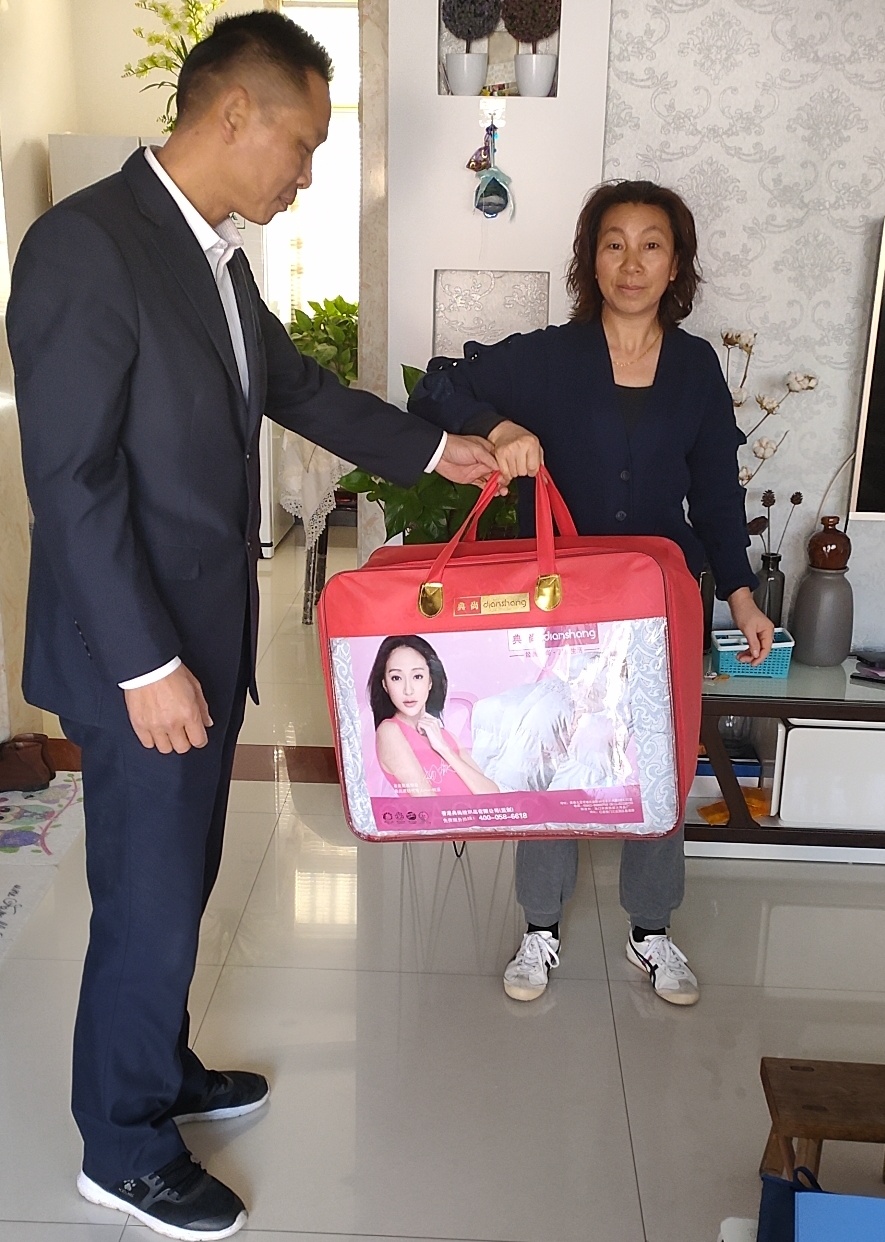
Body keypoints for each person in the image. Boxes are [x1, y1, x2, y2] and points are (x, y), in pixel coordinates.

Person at [7, 12, 497, 1240]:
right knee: (146, 896)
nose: (308, 173)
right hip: (139, 658)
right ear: (236, 113)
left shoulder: (217, 259)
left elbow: (300, 391)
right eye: (307, 143)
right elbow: (71, 481)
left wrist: (439, 448)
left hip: (203, 642)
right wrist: (145, 663)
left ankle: (157, 1069)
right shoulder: (85, 245)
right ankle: (121, 1150)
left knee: (181, 877)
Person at [408, 179, 775, 1010]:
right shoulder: (547, 357)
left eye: (651, 244)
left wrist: (742, 596)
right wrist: (499, 428)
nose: (631, 262)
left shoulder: (694, 366)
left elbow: (716, 494)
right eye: (614, 243)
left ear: (675, 263)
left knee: (658, 754)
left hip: (658, 595)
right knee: (550, 744)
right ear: (591, 260)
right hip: (560, 598)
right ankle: (540, 924)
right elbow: (435, 385)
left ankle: (651, 930)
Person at [369, 635, 498, 796]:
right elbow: (428, 803)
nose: (408, 690)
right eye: (396, 678)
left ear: (430, 681)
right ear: (385, 685)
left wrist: (444, 749)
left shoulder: (444, 736)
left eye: (417, 676)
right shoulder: (389, 731)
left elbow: (493, 795)